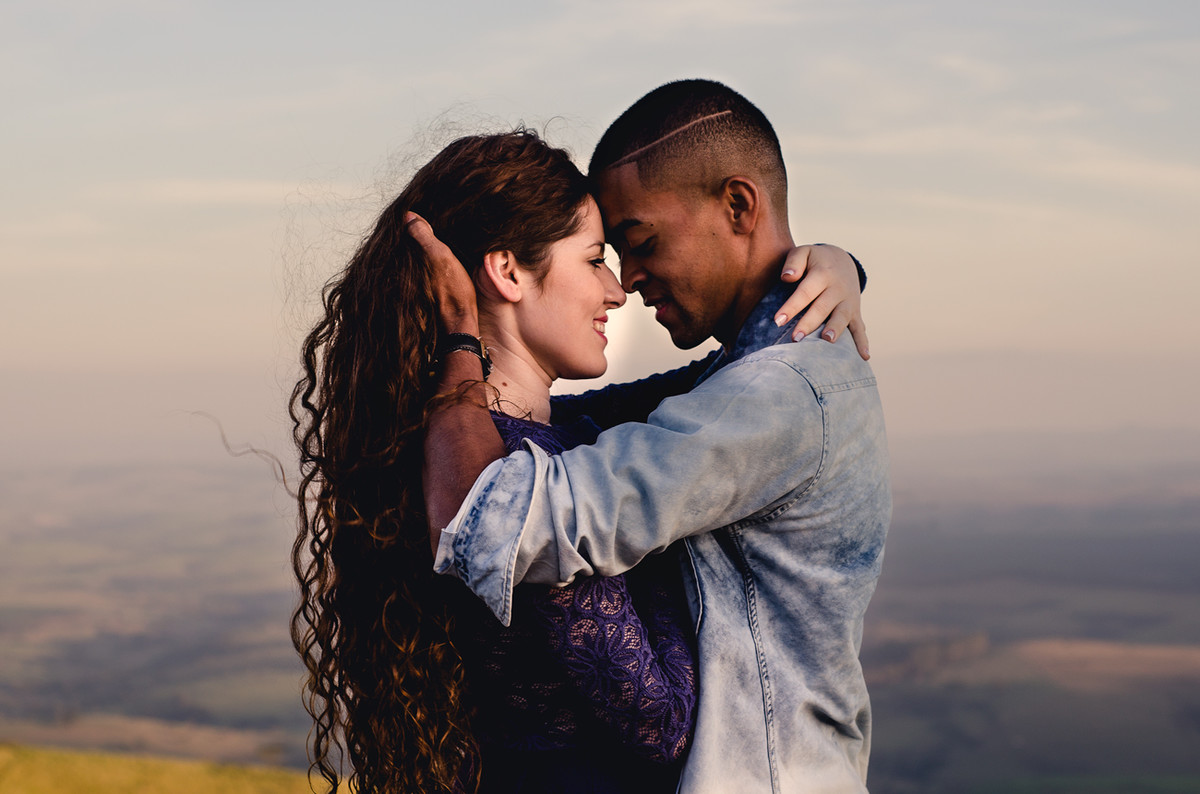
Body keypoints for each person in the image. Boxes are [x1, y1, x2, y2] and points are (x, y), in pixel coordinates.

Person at [291, 129, 867, 793]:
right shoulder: (528, 470)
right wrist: (677, 561)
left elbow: (731, 382)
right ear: (508, 272)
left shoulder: (471, 437)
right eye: (595, 259)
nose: (618, 290)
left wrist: (836, 265)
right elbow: (660, 724)